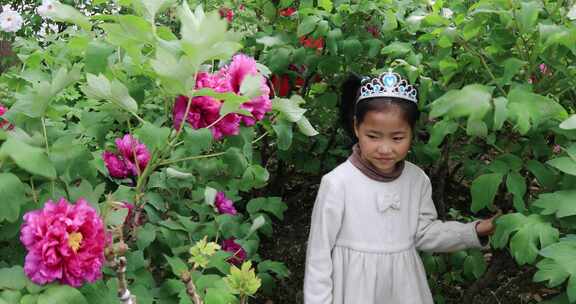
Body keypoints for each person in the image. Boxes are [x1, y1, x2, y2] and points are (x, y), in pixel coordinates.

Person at [303, 70, 499, 304]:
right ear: (356, 127)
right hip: (355, 290)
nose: (385, 149)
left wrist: (476, 230)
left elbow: (425, 234)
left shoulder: (416, 180)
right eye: (373, 136)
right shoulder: (338, 183)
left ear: (412, 133)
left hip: (404, 289)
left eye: (397, 138)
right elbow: (319, 255)